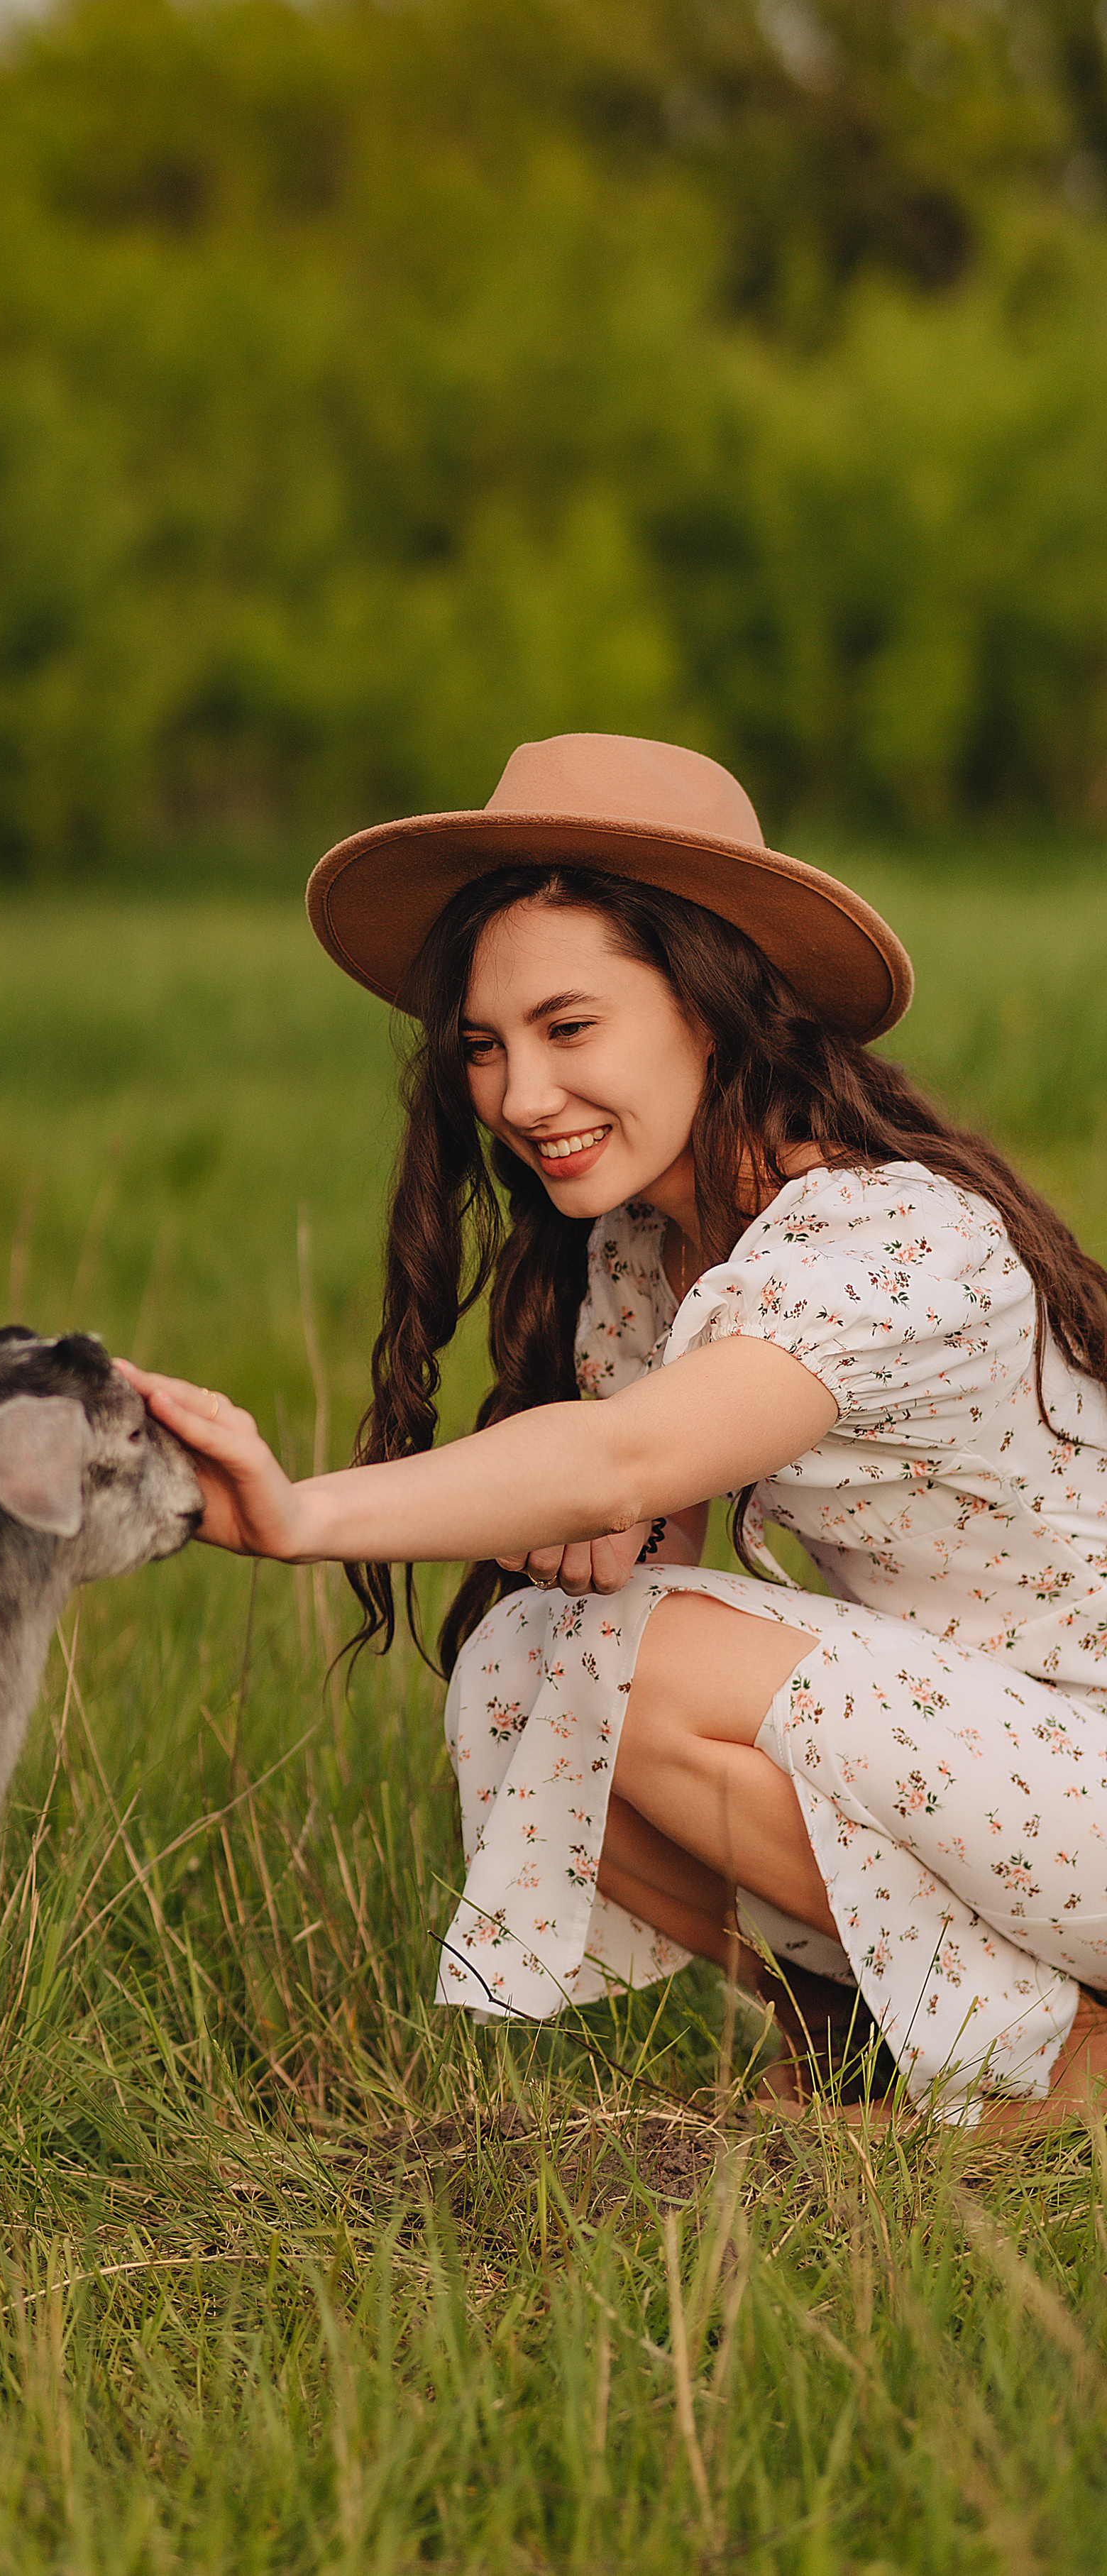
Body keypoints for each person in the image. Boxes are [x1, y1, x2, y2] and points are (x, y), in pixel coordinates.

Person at [123, 733, 1107, 2129]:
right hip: (1013, 1781)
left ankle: (1050, 2049)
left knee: (628, 1662)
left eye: (566, 1027)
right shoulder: (648, 1254)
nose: (519, 1095)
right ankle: (863, 2030)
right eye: (482, 1044)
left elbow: (624, 1458)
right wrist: (622, 1531)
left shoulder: (879, 1240)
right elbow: (647, 1509)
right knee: (518, 1667)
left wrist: (303, 1512)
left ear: (709, 1003)